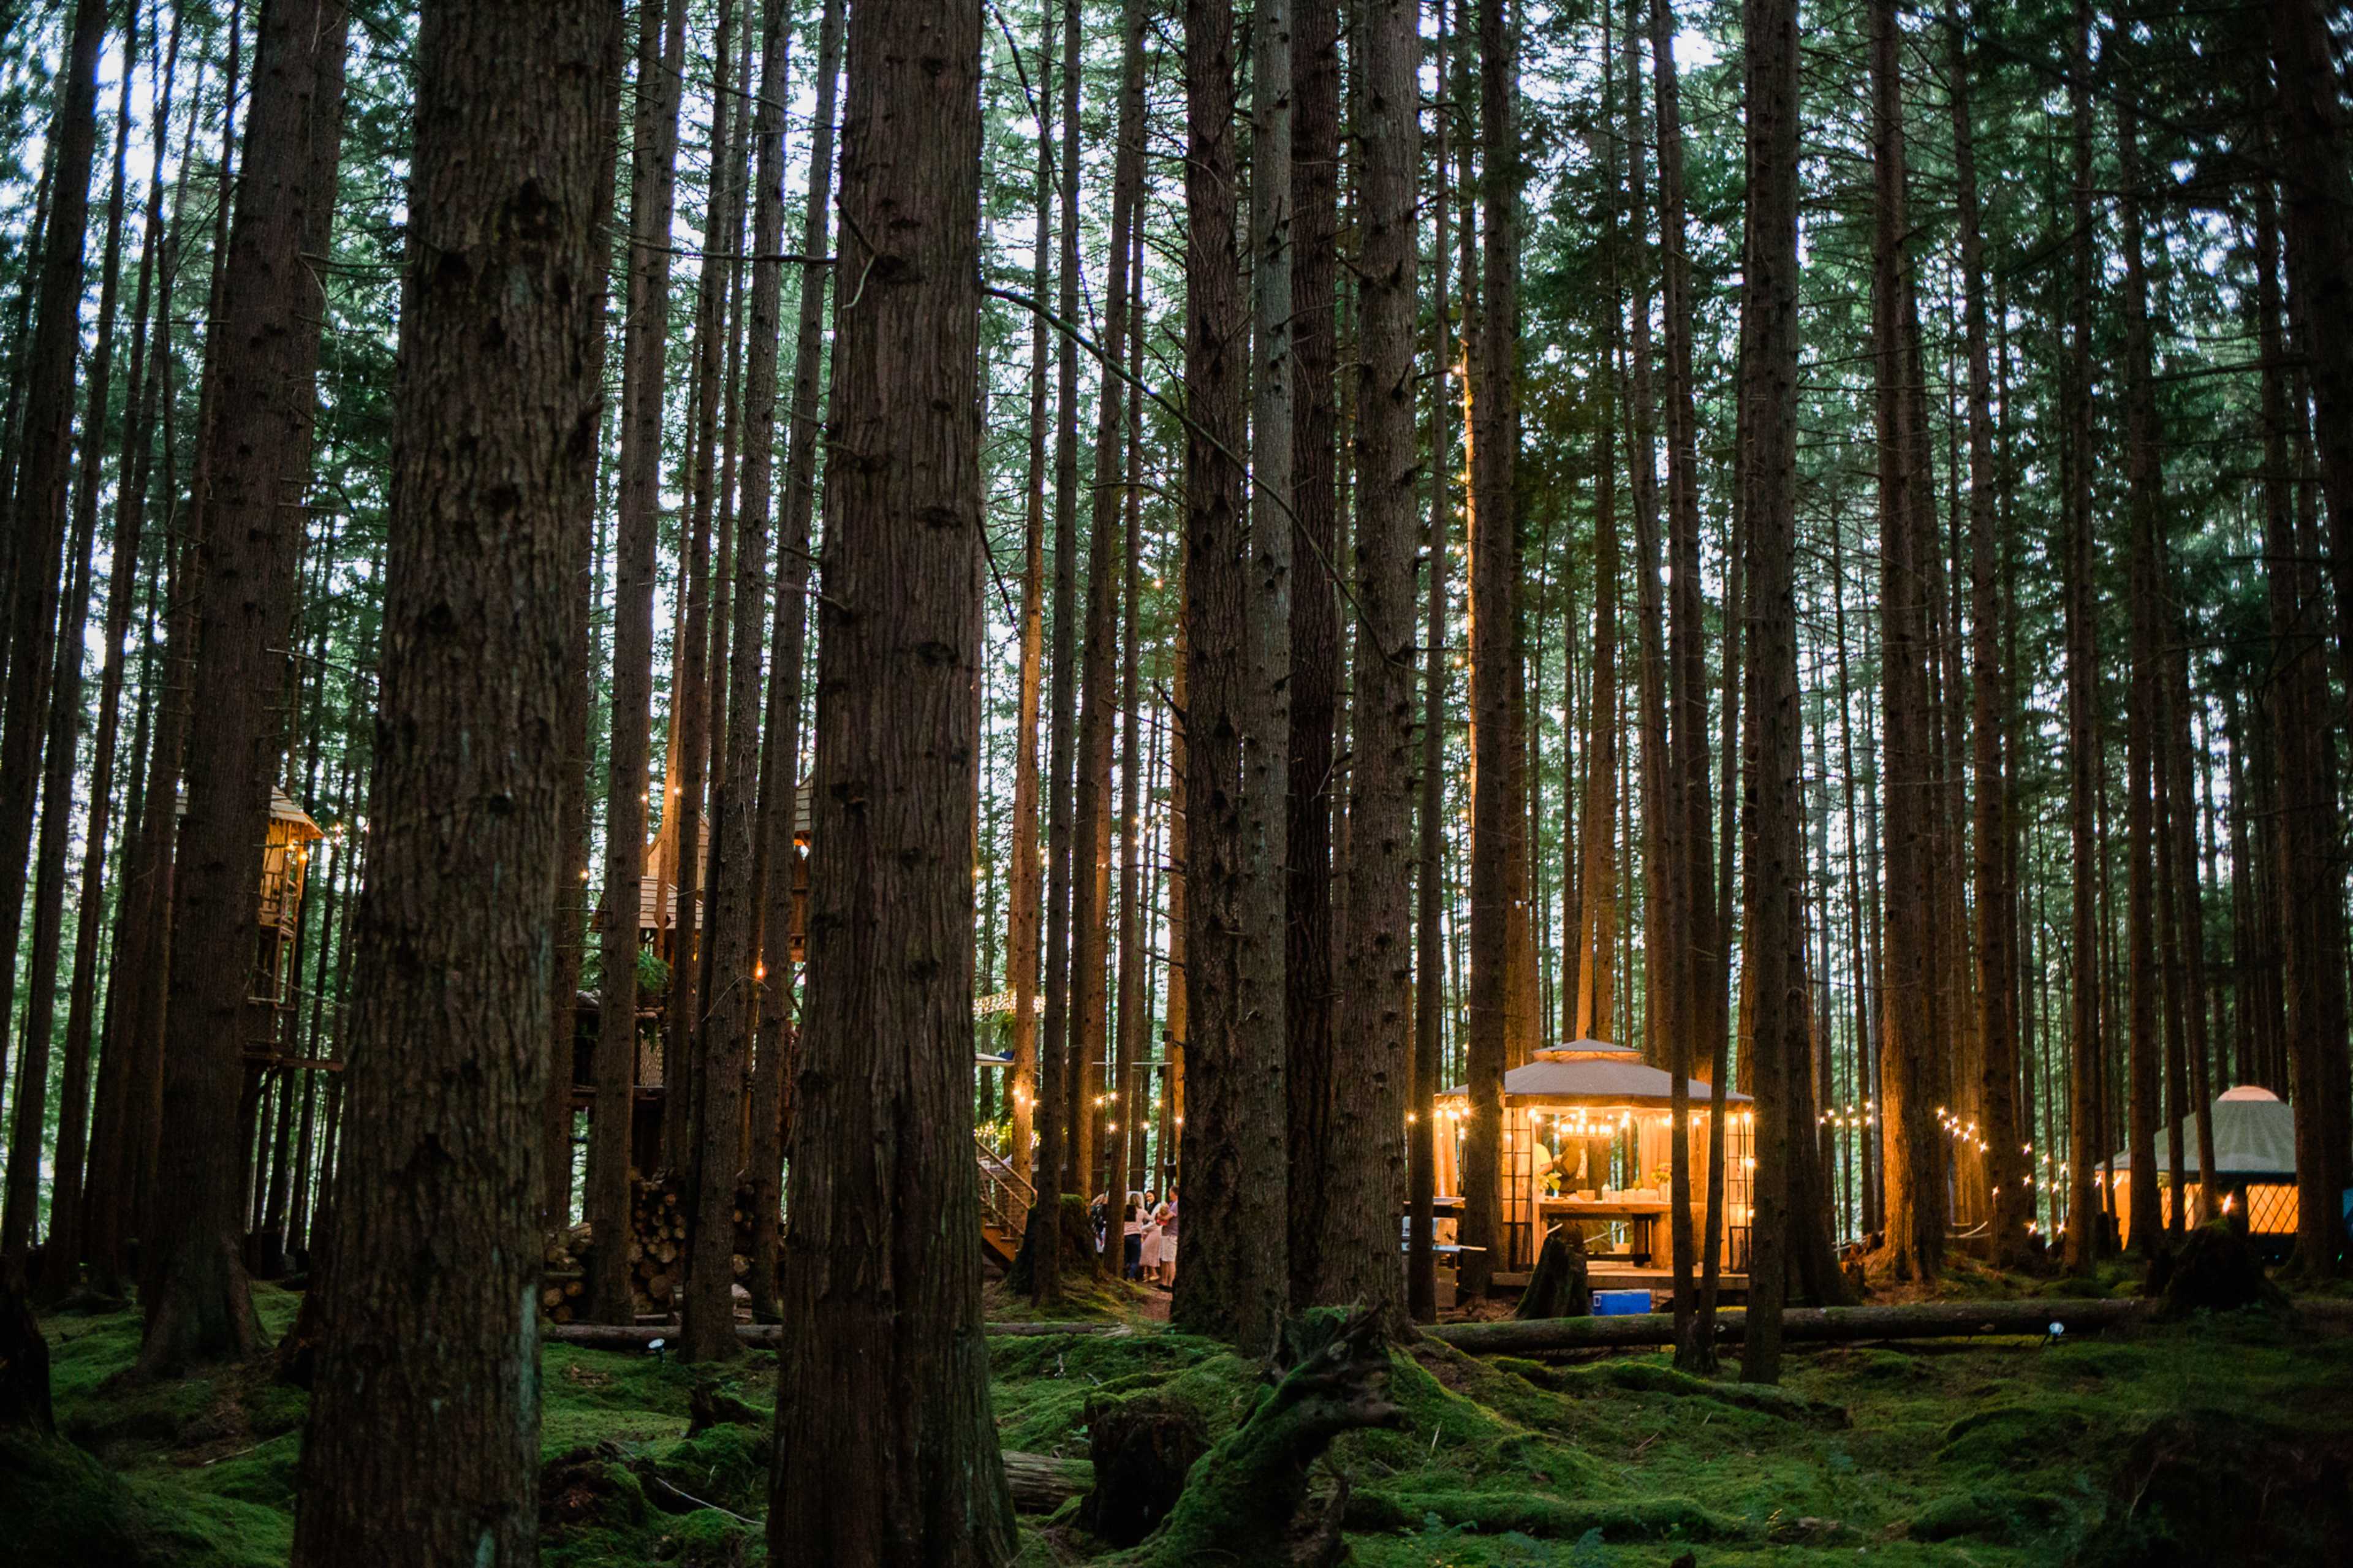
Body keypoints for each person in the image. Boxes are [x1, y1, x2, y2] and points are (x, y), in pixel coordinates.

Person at [1152, 1189, 1178, 1289]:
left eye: (1170, 1192)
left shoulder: (1176, 1205)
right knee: (1165, 1259)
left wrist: (1159, 1215)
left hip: (1171, 1235)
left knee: (1170, 1260)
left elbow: (1166, 1217)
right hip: (1166, 1233)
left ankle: (1171, 1284)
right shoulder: (1172, 1204)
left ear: (1173, 1193)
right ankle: (1164, 1282)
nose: (1169, 1194)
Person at [1121, 1195, 1145, 1280]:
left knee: (1126, 1257)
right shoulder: (1142, 1212)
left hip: (1125, 1236)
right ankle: (1131, 1277)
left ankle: (1124, 1275)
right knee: (1135, 1258)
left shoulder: (1124, 1211)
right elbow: (1152, 1219)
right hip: (1136, 1236)